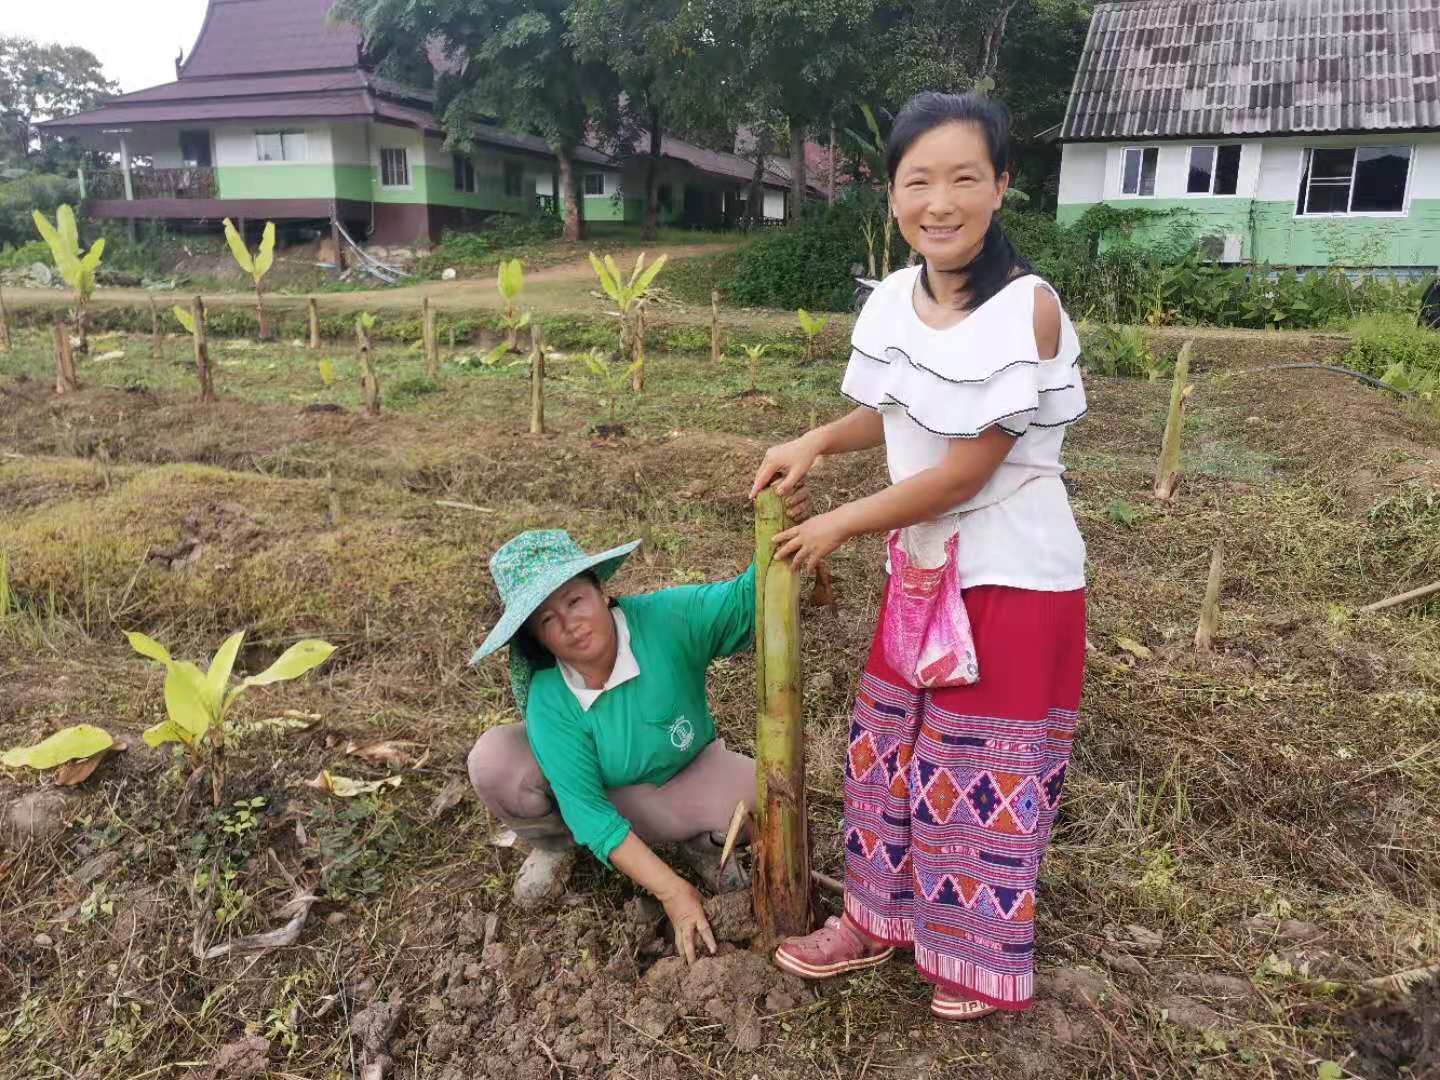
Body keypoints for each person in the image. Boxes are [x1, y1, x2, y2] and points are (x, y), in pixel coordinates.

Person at [751, 91, 1088, 1020]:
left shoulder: (1026, 310)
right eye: (918, 181)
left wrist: (839, 523)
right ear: (892, 192)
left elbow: (967, 470)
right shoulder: (899, 298)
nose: (940, 203)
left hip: (1013, 573)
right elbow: (900, 409)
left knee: (976, 769)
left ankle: (970, 959)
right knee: (887, 750)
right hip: (927, 567)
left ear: (1002, 186)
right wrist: (818, 441)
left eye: (965, 179)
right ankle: (875, 919)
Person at [466, 496, 808, 964]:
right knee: (495, 761)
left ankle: (700, 844)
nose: (570, 624)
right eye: (547, 619)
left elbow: (746, 602)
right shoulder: (550, 697)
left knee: (759, 798)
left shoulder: (666, 620)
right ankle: (557, 845)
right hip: (600, 795)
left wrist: (784, 531)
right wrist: (672, 891)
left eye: (574, 600)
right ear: (537, 639)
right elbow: (591, 813)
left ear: (601, 591)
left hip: (682, 775)